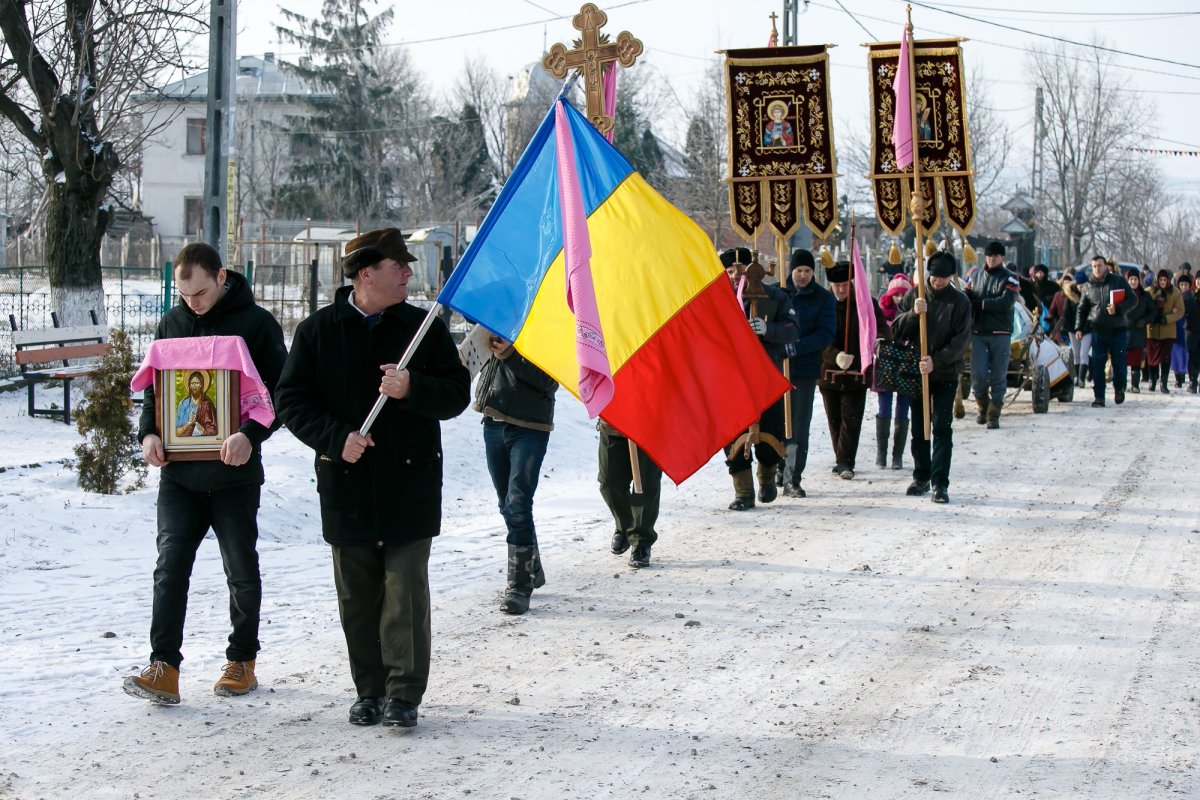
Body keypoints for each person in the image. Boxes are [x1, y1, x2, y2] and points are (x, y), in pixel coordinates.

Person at [274, 230, 470, 729]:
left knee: (404, 591)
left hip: (410, 484)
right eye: (397, 265)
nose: (407, 272)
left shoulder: (424, 328)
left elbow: (456, 394)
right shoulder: (318, 331)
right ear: (366, 274)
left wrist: (412, 387)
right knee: (358, 598)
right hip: (348, 485)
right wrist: (334, 438)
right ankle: (369, 691)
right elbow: (291, 400)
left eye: (407, 266)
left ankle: (403, 693)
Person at [123, 243, 288, 706]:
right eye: (184, 293)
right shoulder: (173, 324)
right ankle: (164, 668)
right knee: (169, 566)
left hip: (234, 473)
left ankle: (242, 660)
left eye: (199, 292)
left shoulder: (256, 325)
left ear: (220, 277)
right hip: (179, 475)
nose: (191, 302)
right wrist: (149, 435)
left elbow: (280, 393)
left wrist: (251, 435)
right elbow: (156, 391)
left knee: (240, 568)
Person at [473, 333, 558, 613]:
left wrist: (510, 355)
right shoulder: (495, 319)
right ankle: (531, 565)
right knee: (506, 505)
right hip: (494, 422)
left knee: (518, 504)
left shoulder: (548, 323)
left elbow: (549, 381)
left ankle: (519, 587)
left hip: (530, 427)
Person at [721, 247, 798, 510]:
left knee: (770, 433)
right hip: (730, 383)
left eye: (741, 271)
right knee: (733, 436)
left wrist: (768, 329)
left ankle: (767, 477)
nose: (736, 276)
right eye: (730, 271)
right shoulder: (718, 302)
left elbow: (792, 330)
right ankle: (743, 492)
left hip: (767, 379)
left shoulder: (776, 296)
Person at [892, 252, 972, 504]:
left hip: (945, 372)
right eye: (935, 277)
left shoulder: (960, 302)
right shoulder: (915, 295)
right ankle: (921, 475)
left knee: (941, 426)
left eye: (944, 278)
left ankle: (940, 482)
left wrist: (936, 360)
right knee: (919, 426)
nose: (938, 282)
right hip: (916, 372)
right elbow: (896, 330)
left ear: (951, 277)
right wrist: (913, 314)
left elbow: (961, 341)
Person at [818, 259, 888, 480]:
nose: (840, 290)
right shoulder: (823, 304)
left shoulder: (866, 304)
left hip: (858, 370)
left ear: (851, 283)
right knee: (834, 418)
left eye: (845, 285)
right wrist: (835, 355)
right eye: (836, 286)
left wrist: (879, 342)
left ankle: (846, 461)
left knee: (852, 417)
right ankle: (841, 457)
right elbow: (815, 338)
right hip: (829, 371)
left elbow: (882, 329)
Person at [780, 249, 836, 497]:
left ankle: (793, 475)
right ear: (791, 271)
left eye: (807, 271)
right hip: (776, 367)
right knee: (776, 422)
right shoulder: (778, 292)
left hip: (803, 369)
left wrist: (796, 346)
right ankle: (776, 469)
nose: (802, 276)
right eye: (798, 271)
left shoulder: (823, 298)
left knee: (799, 424)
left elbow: (825, 333)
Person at [964, 241, 1020, 428]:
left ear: (1002, 257)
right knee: (978, 375)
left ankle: (994, 414)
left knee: (998, 375)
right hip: (978, 332)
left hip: (1001, 333)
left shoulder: (1011, 278)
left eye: (996, 255)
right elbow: (967, 296)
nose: (992, 258)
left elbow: (1005, 302)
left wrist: (980, 304)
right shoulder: (976, 277)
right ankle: (983, 406)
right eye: (989, 255)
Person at [598, 422, 663, 567]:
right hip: (612, 424)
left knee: (645, 485)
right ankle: (625, 526)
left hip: (649, 426)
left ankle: (641, 541)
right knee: (609, 482)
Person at [1075, 254, 1134, 407]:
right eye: (1094, 266)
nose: (1097, 269)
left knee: (1119, 365)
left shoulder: (1118, 281)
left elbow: (1133, 299)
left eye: (1099, 265)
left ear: (1106, 266)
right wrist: (1079, 328)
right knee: (1098, 366)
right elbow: (1082, 309)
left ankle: (1119, 388)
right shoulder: (1088, 286)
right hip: (1098, 332)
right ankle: (1099, 397)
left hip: (1117, 330)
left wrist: (1119, 309)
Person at [876, 272, 913, 470]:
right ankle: (881, 452)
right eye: (896, 295)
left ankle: (897, 455)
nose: (899, 299)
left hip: (906, 366)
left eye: (903, 295)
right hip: (886, 366)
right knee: (884, 408)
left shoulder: (913, 315)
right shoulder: (882, 314)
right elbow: (874, 335)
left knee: (903, 408)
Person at [1146, 269, 1184, 393]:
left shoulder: (1175, 293)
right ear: (1156, 280)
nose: (1162, 282)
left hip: (1168, 330)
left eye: (1165, 280)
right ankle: (1152, 380)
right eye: (1160, 279)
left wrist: (1166, 319)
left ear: (1168, 280)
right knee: (1152, 358)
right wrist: (1151, 317)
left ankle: (1164, 383)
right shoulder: (1149, 291)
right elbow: (1144, 308)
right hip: (1152, 330)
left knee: (1165, 358)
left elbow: (1180, 311)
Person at [1122, 268, 1157, 394]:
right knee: (1122, 361)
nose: (1133, 282)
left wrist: (1144, 321)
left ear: (1139, 280)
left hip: (1138, 331)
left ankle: (1135, 385)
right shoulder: (1122, 294)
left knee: (1136, 361)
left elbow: (1153, 312)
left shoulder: (1145, 295)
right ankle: (1121, 385)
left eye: (1135, 279)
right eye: (1131, 279)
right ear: (1127, 280)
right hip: (1123, 332)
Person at [175, 370, 218, 437]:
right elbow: (177, 432)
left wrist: (203, 429)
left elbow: (213, 430)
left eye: (197, 383)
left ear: (201, 385)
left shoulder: (207, 404)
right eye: (192, 383)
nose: (194, 386)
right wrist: (189, 423)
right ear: (189, 386)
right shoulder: (184, 404)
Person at [1178, 273, 1200, 392]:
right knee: (1193, 357)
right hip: (1191, 331)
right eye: (1198, 279)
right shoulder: (1187, 295)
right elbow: (1181, 310)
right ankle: (1193, 382)